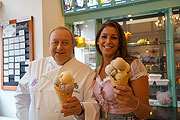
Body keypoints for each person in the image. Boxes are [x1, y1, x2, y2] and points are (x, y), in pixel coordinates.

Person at [14, 26, 99, 120]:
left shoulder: (87, 73)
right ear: (49, 45)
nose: (59, 47)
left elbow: (93, 105)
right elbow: (21, 97)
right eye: (55, 42)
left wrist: (81, 109)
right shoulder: (35, 66)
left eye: (65, 43)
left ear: (72, 45)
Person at [93, 20, 150, 119]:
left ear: (119, 42)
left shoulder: (133, 66)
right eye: (104, 36)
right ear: (98, 41)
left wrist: (132, 102)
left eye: (114, 38)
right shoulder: (96, 71)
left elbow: (145, 113)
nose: (108, 41)